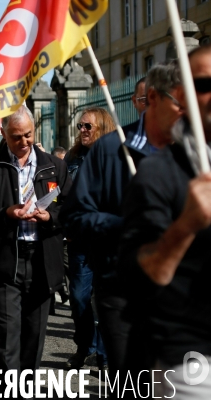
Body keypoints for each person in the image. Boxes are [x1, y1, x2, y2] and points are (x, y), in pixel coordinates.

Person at [59, 62, 182, 378]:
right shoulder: (110, 150)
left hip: (186, 294)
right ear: (152, 99)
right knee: (131, 383)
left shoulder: (198, 151)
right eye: (180, 101)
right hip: (122, 288)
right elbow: (75, 216)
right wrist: (124, 224)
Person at [119, 45, 211, 398]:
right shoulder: (159, 172)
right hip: (190, 362)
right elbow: (141, 278)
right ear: (183, 96)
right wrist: (185, 225)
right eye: (203, 84)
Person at [0, 105, 71, 375]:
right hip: (7, 262)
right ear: (3, 134)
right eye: (16, 137)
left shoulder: (55, 166)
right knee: (7, 334)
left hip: (42, 261)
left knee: (34, 335)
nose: (24, 141)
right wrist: (6, 213)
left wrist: (49, 217)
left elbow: (71, 210)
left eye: (28, 134)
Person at [62, 107, 115, 371]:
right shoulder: (72, 158)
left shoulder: (116, 155)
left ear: (102, 128)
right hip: (79, 240)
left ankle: (105, 355)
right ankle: (85, 346)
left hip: (107, 239)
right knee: (79, 298)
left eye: (88, 126)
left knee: (105, 300)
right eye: (80, 126)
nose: (82, 130)